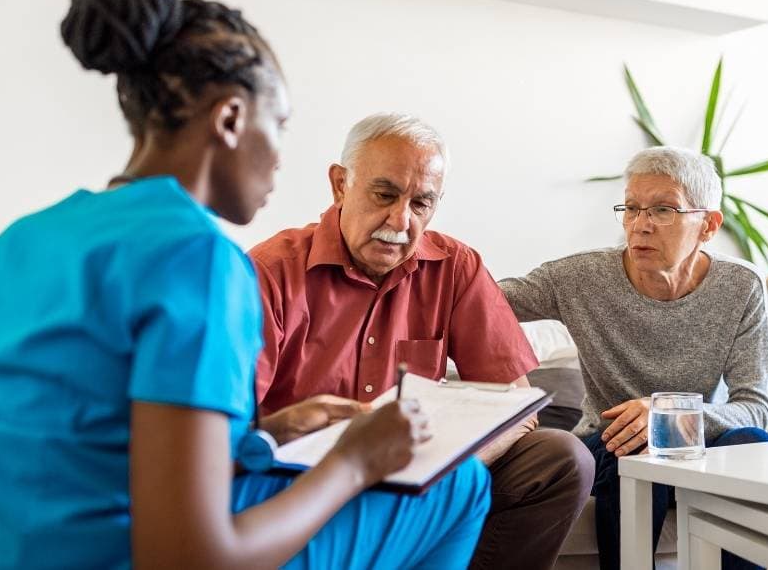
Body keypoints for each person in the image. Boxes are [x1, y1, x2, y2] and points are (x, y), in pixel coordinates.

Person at [0, 0, 489, 570]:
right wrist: (355, 461)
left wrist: (267, 434)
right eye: (279, 125)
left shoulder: (23, 239)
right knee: (460, 486)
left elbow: (88, 442)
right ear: (232, 119)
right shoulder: (197, 258)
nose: (280, 156)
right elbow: (190, 557)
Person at [249, 112, 594, 570]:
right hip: (303, 479)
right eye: (385, 195)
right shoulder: (269, 272)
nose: (400, 220)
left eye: (421, 204)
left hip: (420, 472)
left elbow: (517, 407)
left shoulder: (456, 266)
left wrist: (449, 467)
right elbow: (233, 433)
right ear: (340, 185)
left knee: (561, 457)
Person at [499, 146, 768, 570]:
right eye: (631, 208)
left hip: (693, 441)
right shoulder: (579, 277)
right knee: (638, 446)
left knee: (751, 445)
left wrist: (667, 415)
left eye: (663, 210)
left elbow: (754, 409)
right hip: (608, 442)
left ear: (708, 225)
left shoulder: (740, 287)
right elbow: (482, 302)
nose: (640, 225)